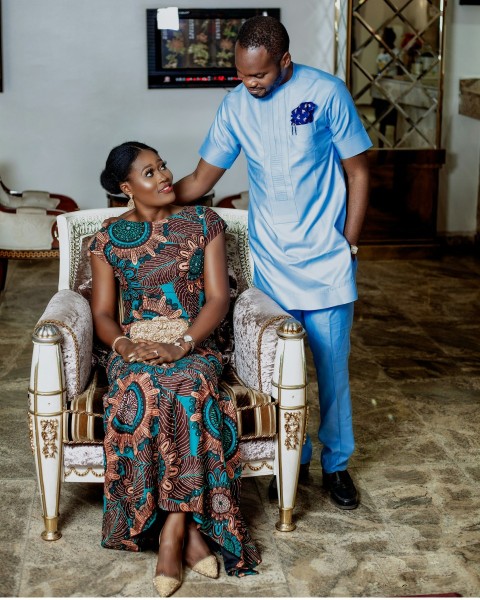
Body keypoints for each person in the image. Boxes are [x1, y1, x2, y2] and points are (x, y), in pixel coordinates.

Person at [172, 16, 372, 510]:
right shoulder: (236, 105)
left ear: (284, 61)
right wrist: (153, 199)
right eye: (241, 74)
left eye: (258, 74)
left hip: (326, 259)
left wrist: (348, 243)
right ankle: (292, 459)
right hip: (272, 263)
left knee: (331, 370)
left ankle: (337, 465)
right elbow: (200, 179)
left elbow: (358, 170)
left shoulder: (326, 93)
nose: (249, 83)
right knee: (282, 372)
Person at [90, 141, 260, 597]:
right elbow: (103, 314)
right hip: (135, 347)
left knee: (186, 387)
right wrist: (126, 345)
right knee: (141, 390)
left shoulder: (204, 223)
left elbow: (219, 298)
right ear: (127, 188)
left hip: (196, 341)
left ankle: (171, 534)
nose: (164, 176)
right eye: (149, 173)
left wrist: (183, 343)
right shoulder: (107, 239)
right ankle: (189, 536)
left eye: (162, 166)